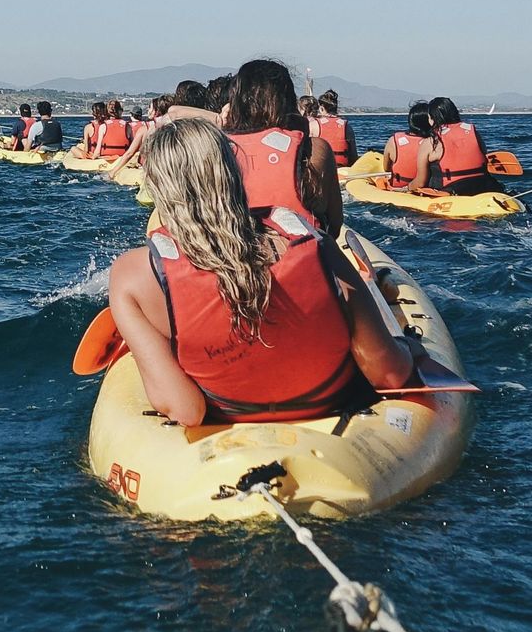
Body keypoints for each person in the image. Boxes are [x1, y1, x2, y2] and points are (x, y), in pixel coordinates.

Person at [106, 118, 414, 426]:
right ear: (233, 173)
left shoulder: (133, 279)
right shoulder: (308, 240)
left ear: (158, 188)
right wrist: (409, 347)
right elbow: (390, 373)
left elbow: (187, 410)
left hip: (228, 425)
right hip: (333, 407)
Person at [218, 57, 342, 236]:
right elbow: (335, 227)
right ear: (289, 100)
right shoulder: (316, 150)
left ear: (236, 102)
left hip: (235, 257)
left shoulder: (217, 152)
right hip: (301, 258)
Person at [428, 97, 490, 190]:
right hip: (483, 186)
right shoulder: (474, 132)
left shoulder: (432, 140)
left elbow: (421, 179)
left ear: (433, 118)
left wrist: (409, 187)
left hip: (449, 189)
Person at [385, 104, 440, 193]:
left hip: (398, 188)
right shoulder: (435, 143)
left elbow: (386, 168)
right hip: (425, 190)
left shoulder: (393, 141)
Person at [311, 89, 355, 168]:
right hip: (342, 168)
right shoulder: (347, 127)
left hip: (321, 169)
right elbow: (353, 156)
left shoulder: (313, 126)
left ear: (321, 108)